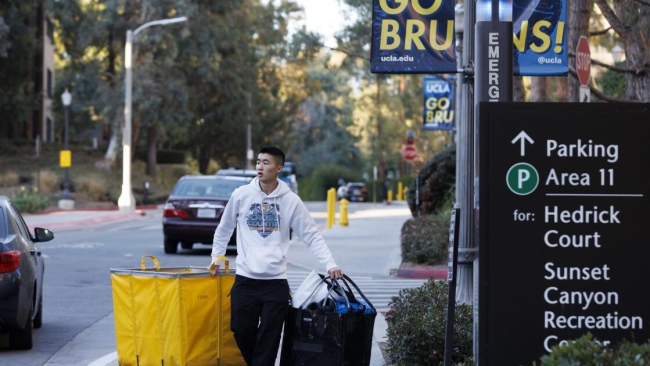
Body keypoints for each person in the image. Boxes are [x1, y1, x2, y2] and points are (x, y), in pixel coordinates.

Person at [208, 146, 342, 366]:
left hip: (275, 282)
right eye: (258, 162)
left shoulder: (291, 201)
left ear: (278, 168)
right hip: (245, 279)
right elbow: (224, 229)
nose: (260, 167)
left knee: (269, 337)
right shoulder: (241, 195)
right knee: (240, 329)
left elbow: (311, 235)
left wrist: (330, 264)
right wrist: (216, 257)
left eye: (266, 163)